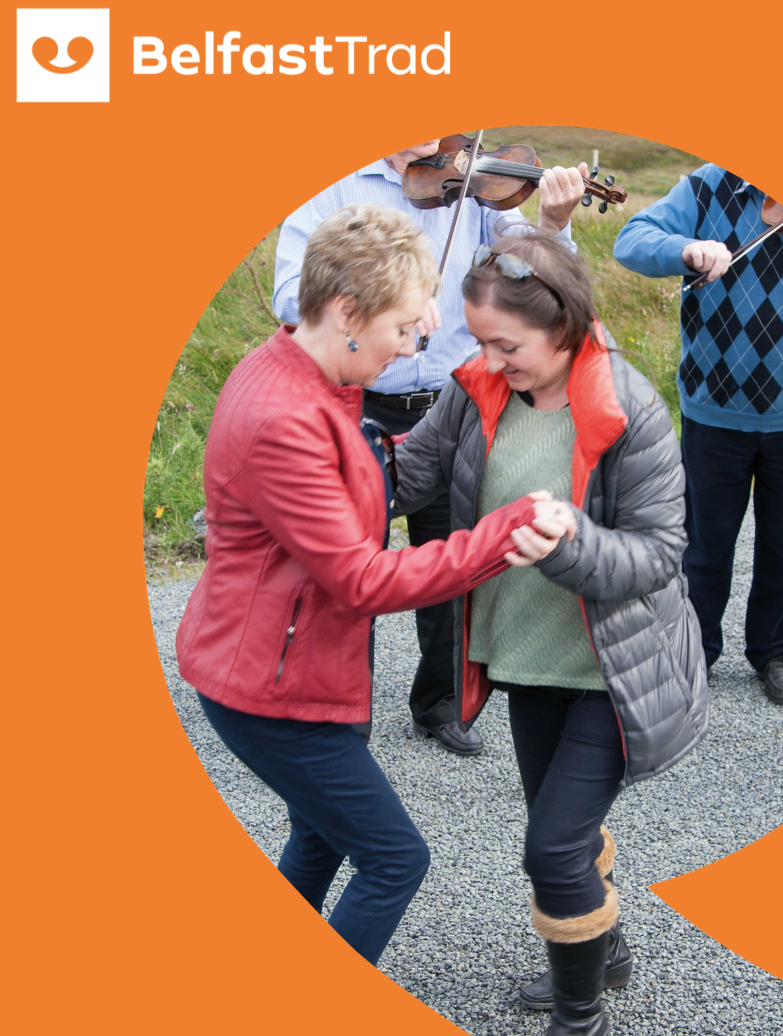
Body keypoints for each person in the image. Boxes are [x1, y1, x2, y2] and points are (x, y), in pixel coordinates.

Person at [176, 205, 572, 966]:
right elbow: (361, 579)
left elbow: (358, 474)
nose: (411, 342)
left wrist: (458, 428)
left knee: (322, 837)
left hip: (278, 668)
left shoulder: (308, 376)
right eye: (401, 326)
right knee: (395, 860)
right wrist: (504, 534)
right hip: (266, 688)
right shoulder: (286, 419)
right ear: (347, 312)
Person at [394, 232, 708, 1035]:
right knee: (560, 831)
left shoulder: (629, 408)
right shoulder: (474, 392)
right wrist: (308, 464)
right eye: (481, 342)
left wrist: (571, 545)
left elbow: (660, 554)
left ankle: (581, 1018)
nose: (491, 361)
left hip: (613, 673)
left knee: (552, 849)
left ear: (563, 325)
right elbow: (409, 478)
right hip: (527, 659)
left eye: (508, 345)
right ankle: (607, 950)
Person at [273, 139, 587, 756]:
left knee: (450, 561)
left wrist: (553, 225)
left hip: (450, 404)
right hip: (357, 403)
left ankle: (440, 703)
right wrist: (385, 301)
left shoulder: (474, 177)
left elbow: (533, 278)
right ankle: (345, 712)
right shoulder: (332, 185)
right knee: (348, 570)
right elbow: (291, 296)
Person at [613, 165, 783, 705]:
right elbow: (631, 240)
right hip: (712, 409)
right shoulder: (709, 185)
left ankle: (773, 651)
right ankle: (695, 651)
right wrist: (686, 250)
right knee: (702, 547)